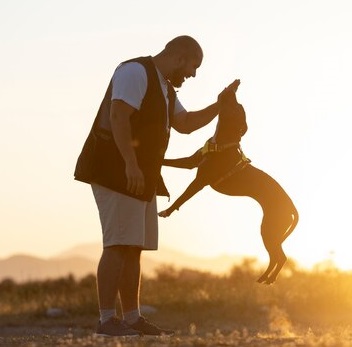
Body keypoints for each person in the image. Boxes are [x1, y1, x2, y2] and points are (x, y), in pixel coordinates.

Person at [74, 35, 235, 337]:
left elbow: (184, 123)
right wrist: (131, 165)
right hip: (117, 171)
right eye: (193, 66)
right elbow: (118, 116)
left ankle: (132, 318)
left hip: (141, 175)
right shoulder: (135, 72)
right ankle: (107, 320)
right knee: (118, 244)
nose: (193, 74)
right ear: (179, 57)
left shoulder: (164, 87)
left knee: (133, 247)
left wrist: (220, 106)